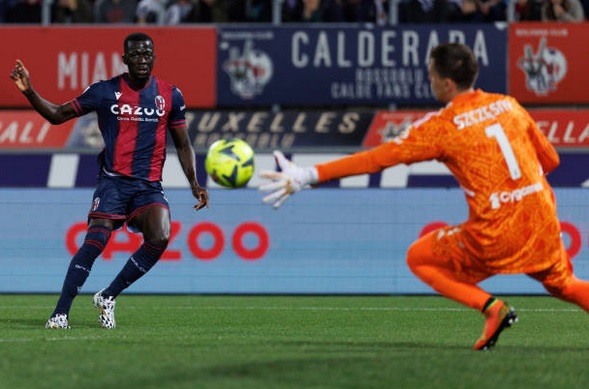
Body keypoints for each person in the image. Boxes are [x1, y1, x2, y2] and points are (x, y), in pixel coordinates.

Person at [259, 43, 589, 351]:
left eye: (431, 75)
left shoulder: (442, 127)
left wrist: (306, 175)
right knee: (564, 284)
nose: (429, 80)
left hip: (496, 232)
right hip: (541, 219)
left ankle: (492, 307)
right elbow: (552, 161)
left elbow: (379, 158)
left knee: (420, 257)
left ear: (446, 83)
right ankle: (495, 311)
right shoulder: (509, 105)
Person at [9, 32, 209, 330]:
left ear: (154, 58)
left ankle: (108, 295)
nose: (142, 60)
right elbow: (57, 115)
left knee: (161, 236)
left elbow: (182, 144)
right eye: (136, 55)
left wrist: (195, 183)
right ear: (125, 59)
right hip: (113, 183)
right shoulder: (105, 92)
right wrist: (29, 92)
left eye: (147, 54)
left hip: (148, 186)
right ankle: (60, 313)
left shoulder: (171, 95)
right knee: (95, 242)